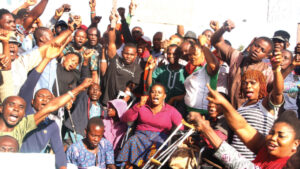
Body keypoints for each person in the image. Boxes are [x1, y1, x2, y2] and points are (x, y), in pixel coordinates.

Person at [189, 88, 300, 168]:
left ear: (295, 144)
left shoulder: (290, 165)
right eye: (271, 132)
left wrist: (206, 129)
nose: (273, 138)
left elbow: (240, 164)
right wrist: (223, 102)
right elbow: (242, 127)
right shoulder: (266, 149)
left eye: (281, 135)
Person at [0, 77, 92, 148]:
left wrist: (80, 88)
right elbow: (28, 86)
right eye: (12, 105)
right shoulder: (24, 121)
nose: (16, 109)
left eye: (20, 107)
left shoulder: (23, 126)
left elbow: (52, 107)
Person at [18, 44, 67, 169]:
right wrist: (46, 59)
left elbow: (59, 152)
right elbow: (30, 85)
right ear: (32, 101)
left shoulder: (52, 124)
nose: (45, 100)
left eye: (49, 98)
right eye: (41, 97)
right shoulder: (25, 112)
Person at [116, 84, 183, 168]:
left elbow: (181, 125)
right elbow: (126, 118)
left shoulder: (170, 110)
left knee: (157, 148)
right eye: (153, 92)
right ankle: (128, 165)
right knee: (133, 140)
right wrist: (139, 105)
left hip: (160, 138)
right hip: (141, 135)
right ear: (149, 95)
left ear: (164, 96)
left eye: (159, 92)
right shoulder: (142, 106)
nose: (156, 94)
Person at [211, 20, 274, 108]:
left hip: (253, 116)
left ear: (267, 56)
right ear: (251, 44)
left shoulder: (267, 71)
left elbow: (275, 93)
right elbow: (216, 42)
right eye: (256, 45)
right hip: (233, 112)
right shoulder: (236, 57)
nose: (257, 50)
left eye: (262, 50)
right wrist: (223, 29)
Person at [101, 14, 143, 105]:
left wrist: (124, 98)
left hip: (120, 105)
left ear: (135, 55)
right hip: (105, 101)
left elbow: (132, 86)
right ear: (122, 53)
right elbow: (112, 42)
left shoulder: (137, 68)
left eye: (131, 54)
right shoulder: (115, 59)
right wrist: (113, 23)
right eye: (126, 53)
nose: (128, 56)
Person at [184, 36, 219, 116]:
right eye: (189, 55)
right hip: (190, 112)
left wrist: (203, 46)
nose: (191, 57)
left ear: (204, 54)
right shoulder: (196, 69)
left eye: (195, 54)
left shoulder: (207, 69)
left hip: (203, 114)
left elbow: (214, 65)